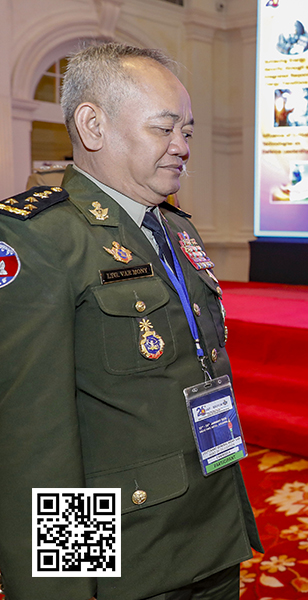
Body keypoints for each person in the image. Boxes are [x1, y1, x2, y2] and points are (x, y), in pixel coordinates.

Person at [0, 43, 261, 600]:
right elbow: (36, 445)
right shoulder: (41, 240)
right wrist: (66, 589)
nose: (182, 147)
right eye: (164, 129)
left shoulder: (174, 227)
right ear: (92, 126)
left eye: (187, 132)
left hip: (212, 529)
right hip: (130, 558)